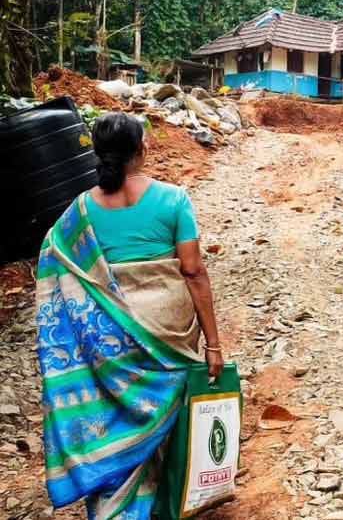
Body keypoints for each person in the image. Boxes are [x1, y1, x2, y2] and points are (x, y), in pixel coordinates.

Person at [35, 112, 224, 519]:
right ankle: (166, 505)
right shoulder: (173, 199)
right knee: (167, 419)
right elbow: (193, 271)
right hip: (169, 330)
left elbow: (56, 266)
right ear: (143, 148)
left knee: (119, 417)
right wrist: (214, 344)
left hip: (110, 340)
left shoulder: (80, 211)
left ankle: (117, 508)